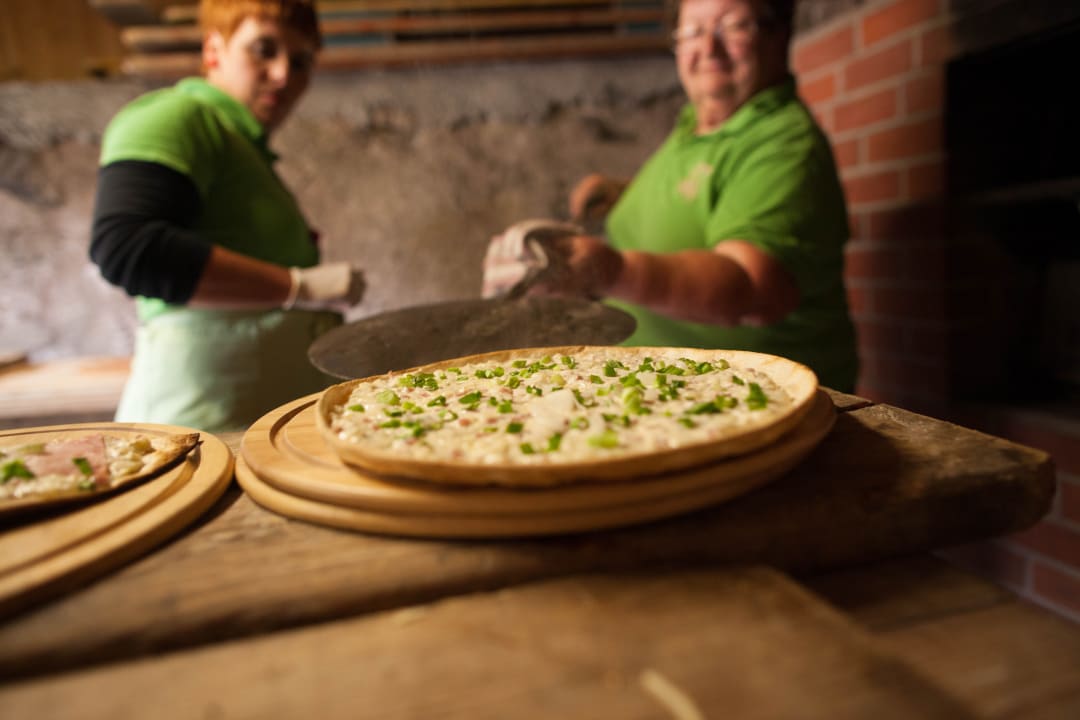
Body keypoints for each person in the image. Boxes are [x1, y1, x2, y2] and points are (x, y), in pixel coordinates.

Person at [484, 0, 857, 392]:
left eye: (733, 26)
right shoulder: (697, 126)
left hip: (752, 399)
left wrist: (610, 272)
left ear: (778, 34)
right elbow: (708, 196)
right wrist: (624, 192)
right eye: (693, 30)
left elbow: (750, 289)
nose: (708, 48)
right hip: (663, 388)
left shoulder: (782, 140)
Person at [90, 0, 365, 432]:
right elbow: (128, 249)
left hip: (245, 424)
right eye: (263, 49)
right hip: (198, 429)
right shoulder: (176, 117)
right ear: (213, 50)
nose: (283, 74)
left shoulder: (247, 154)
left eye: (301, 60)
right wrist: (299, 286)